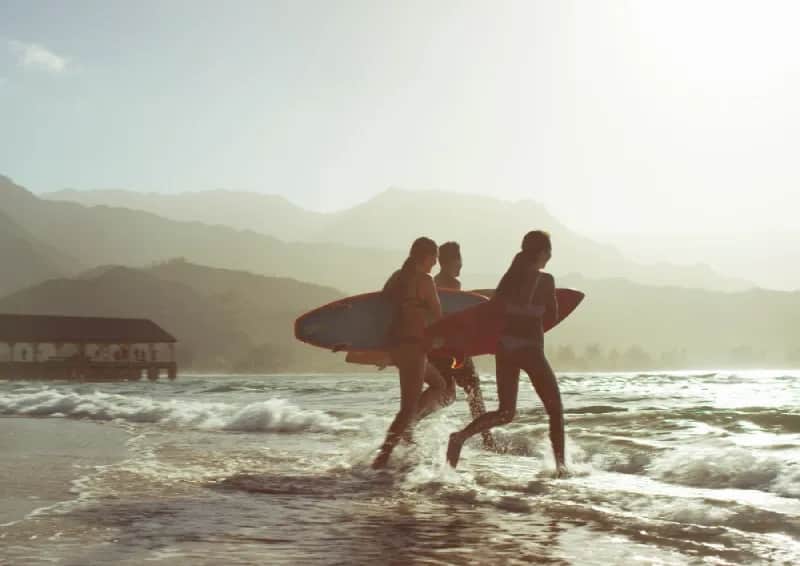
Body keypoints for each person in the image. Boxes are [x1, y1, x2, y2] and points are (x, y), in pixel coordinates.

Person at [445, 230, 567, 477]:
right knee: (555, 409)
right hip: (530, 349)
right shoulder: (545, 281)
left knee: (505, 411)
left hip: (505, 349)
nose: (550, 256)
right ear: (543, 252)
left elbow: (492, 311)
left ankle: (460, 436)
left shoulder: (510, 278)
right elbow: (552, 315)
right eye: (549, 251)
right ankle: (561, 468)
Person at [372, 237, 450, 469]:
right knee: (408, 406)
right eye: (434, 256)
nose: (436, 262)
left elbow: (380, 307)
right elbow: (437, 314)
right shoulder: (424, 280)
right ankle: (382, 458)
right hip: (414, 347)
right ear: (425, 257)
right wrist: (444, 338)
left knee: (439, 384)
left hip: (398, 347)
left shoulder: (397, 277)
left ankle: (407, 431)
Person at [429, 241, 496, 451]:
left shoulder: (433, 283)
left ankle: (410, 423)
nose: (461, 266)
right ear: (450, 261)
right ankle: (487, 440)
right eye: (459, 260)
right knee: (473, 393)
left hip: (436, 351)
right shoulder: (451, 285)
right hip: (453, 350)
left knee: (446, 395)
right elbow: (457, 317)